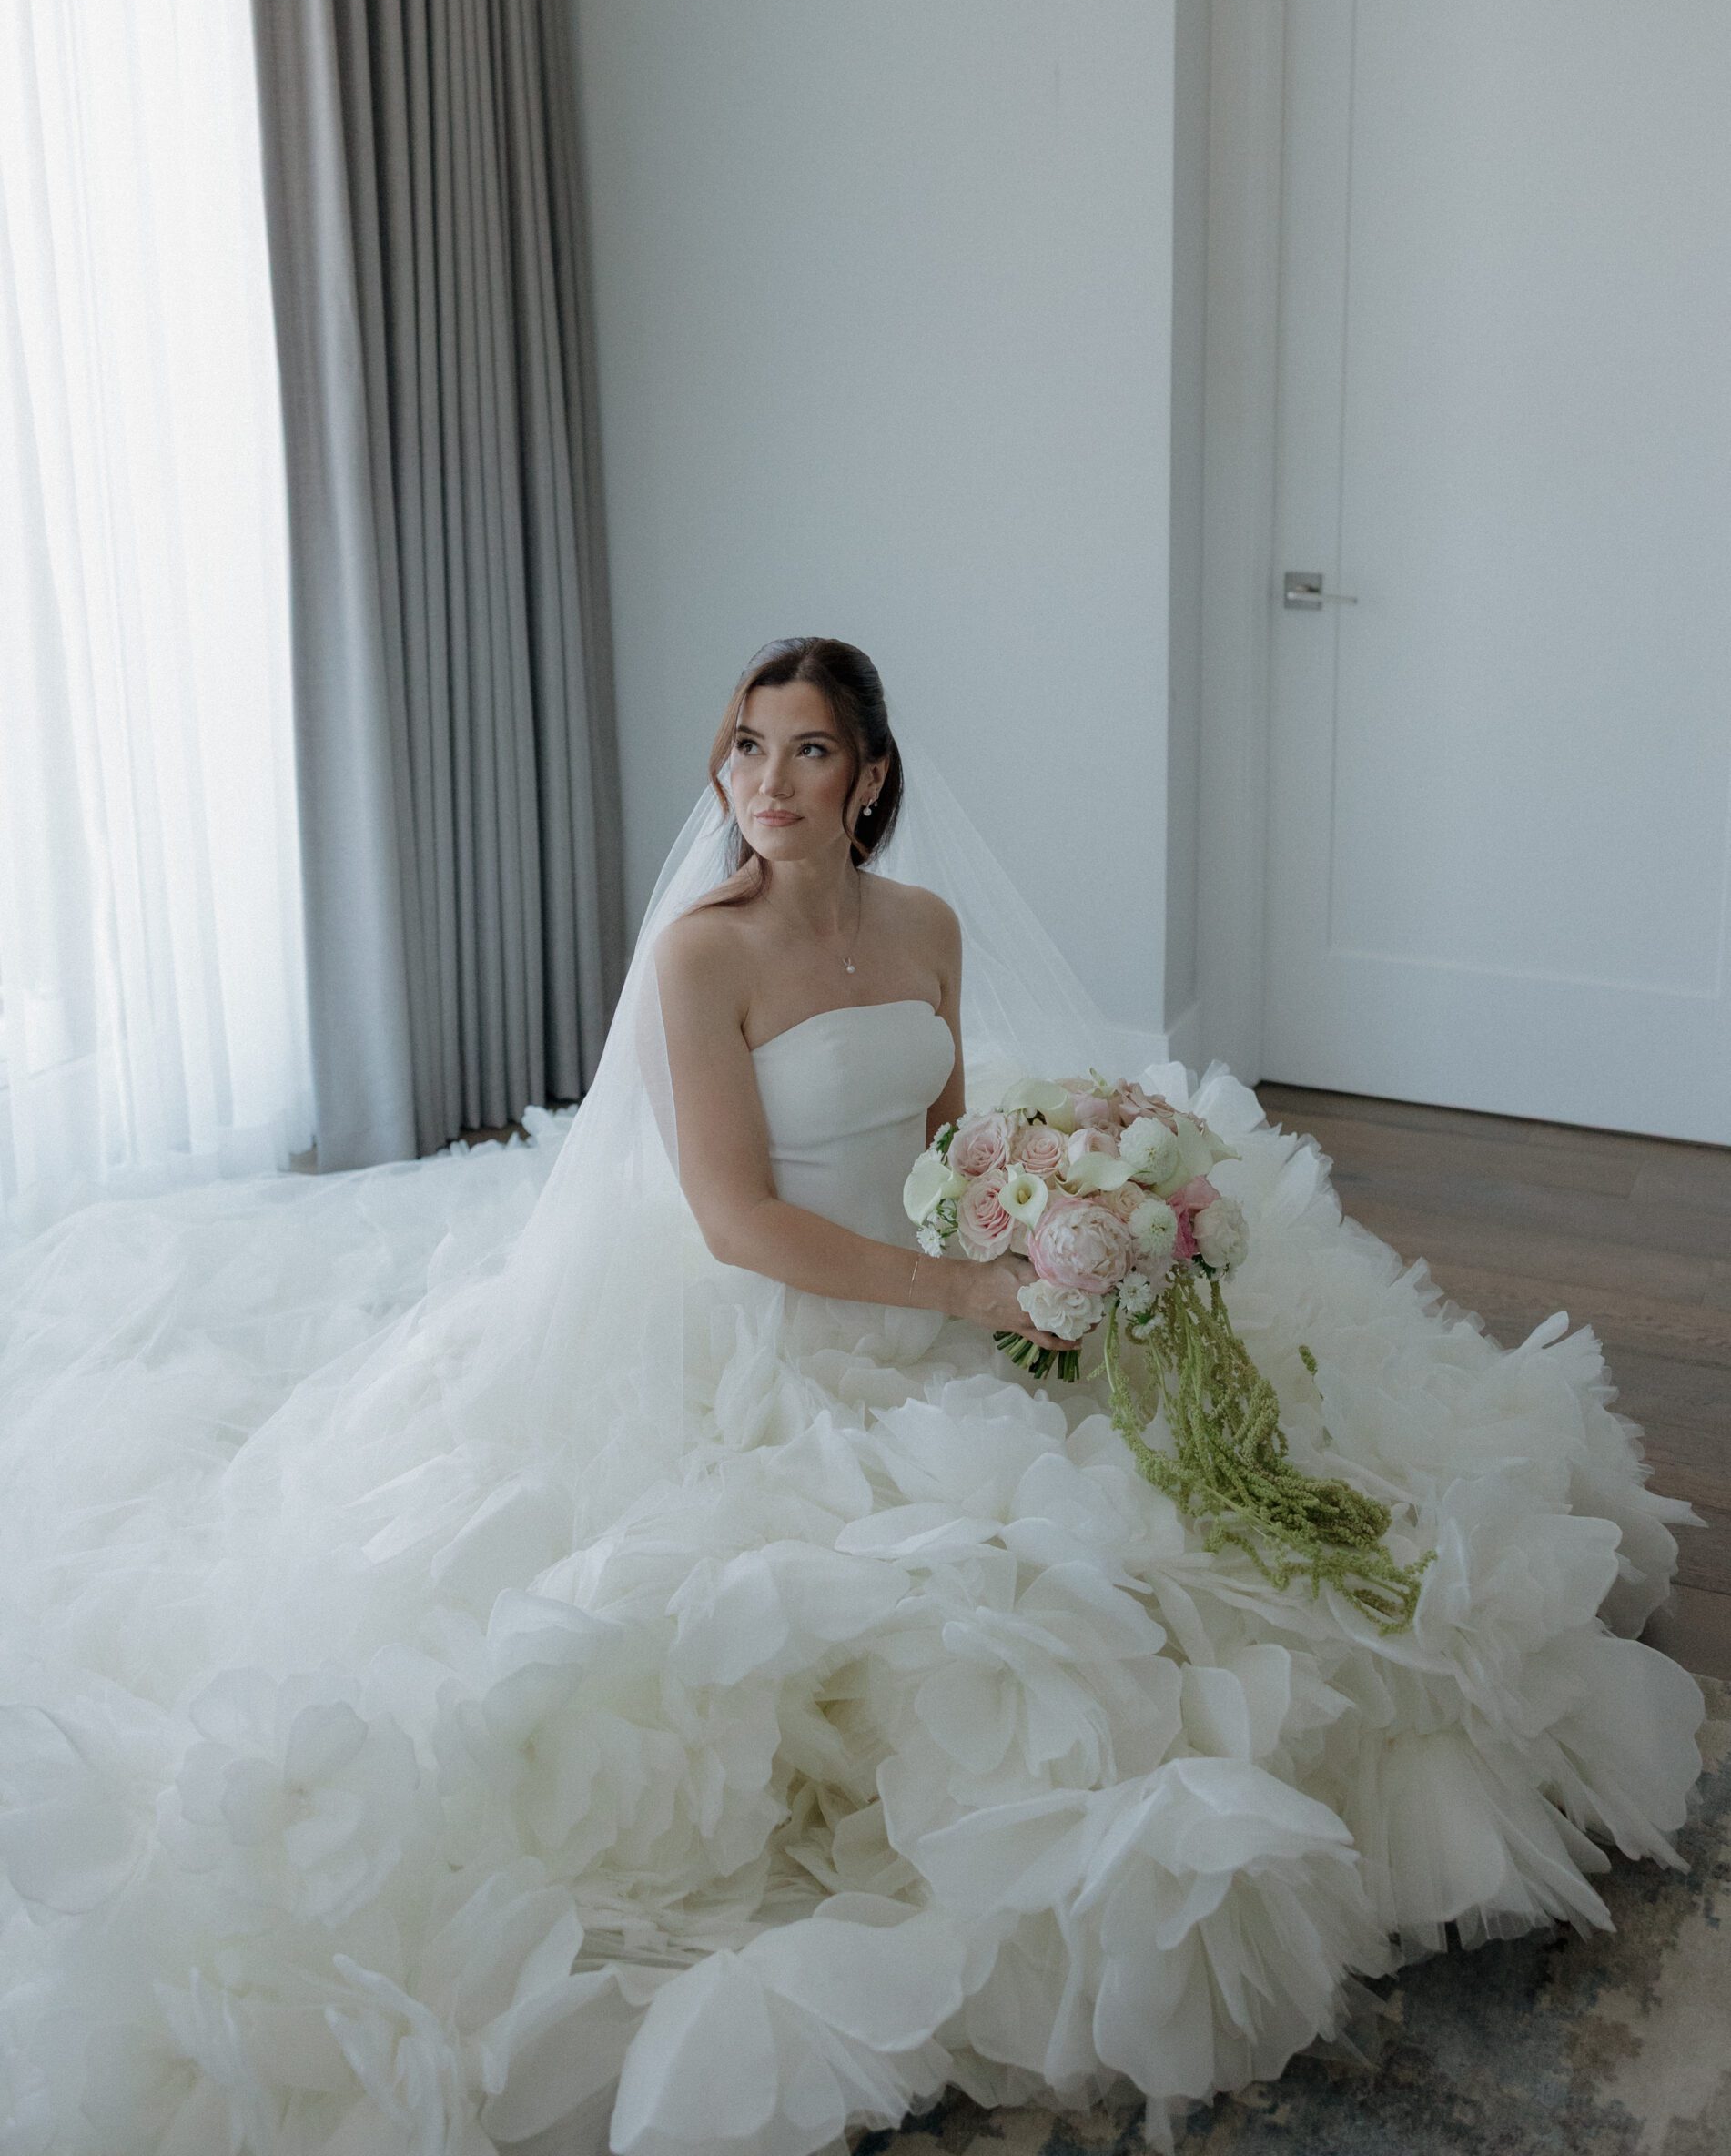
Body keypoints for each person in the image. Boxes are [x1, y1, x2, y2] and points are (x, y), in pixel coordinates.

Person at [0, 637, 1706, 2156]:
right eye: (744, 748)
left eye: (804, 750)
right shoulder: (699, 956)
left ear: (868, 774)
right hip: (783, 1319)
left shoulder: (926, 926)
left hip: (937, 1271)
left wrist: (1042, 1205)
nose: (766, 783)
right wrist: (966, 1288)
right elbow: (741, 1223)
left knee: (1207, 1525)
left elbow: (953, 1147)